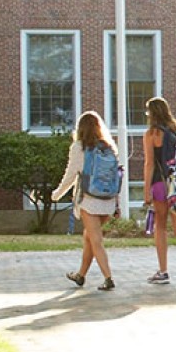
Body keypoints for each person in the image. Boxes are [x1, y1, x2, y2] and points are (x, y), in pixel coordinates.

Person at [53, 110, 120, 291]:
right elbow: (116, 177)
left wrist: (57, 194)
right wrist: (117, 203)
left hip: (89, 200)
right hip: (107, 200)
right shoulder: (108, 147)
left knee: (95, 240)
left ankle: (108, 278)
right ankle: (80, 275)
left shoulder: (79, 147)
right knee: (89, 237)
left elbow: (70, 174)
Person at [141, 96, 176, 285]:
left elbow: (150, 163)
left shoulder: (152, 134)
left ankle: (163, 270)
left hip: (160, 184)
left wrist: (146, 191)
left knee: (160, 226)